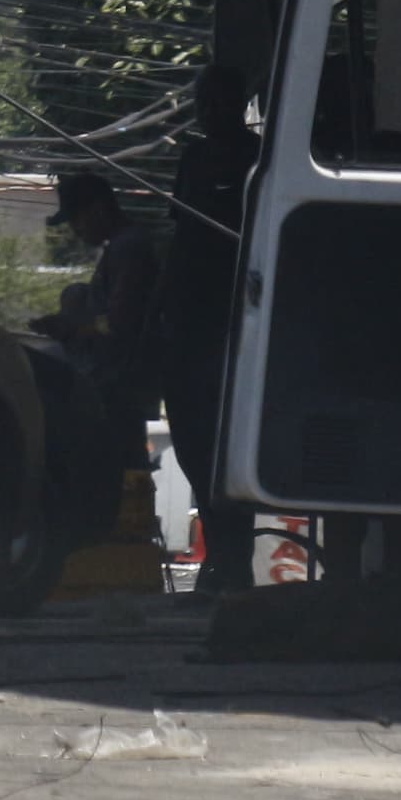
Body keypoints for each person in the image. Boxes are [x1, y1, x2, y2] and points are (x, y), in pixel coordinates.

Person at [154, 66, 258, 590]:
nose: (208, 111)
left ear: (238, 103)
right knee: (192, 443)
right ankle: (219, 554)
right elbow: (181, 237)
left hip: (234, 326)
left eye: (218, 100)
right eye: (202, 101)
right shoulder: (193, 158)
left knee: (229, 445)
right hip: (188, 322)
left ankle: (235, 562)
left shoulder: (256, 159)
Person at [28, 167, 164, 497]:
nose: (75, 230)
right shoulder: (122, 246)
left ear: (98, 209)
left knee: (118, 463)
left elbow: (120, 323)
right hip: (120, 381)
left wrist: (72, 327)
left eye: (77, 219)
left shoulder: (128, 248)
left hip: (121, 382)